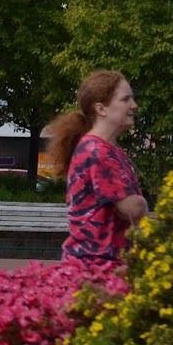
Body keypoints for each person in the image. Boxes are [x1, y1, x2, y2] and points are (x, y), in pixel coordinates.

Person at [46, 69, 148, 270]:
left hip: (105, 267)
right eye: (125, 99)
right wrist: (141, 203)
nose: (134, 106)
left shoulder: (107, 150)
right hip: (96, 271)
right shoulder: (97, 152)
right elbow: (132, 209)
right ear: (101, 109)